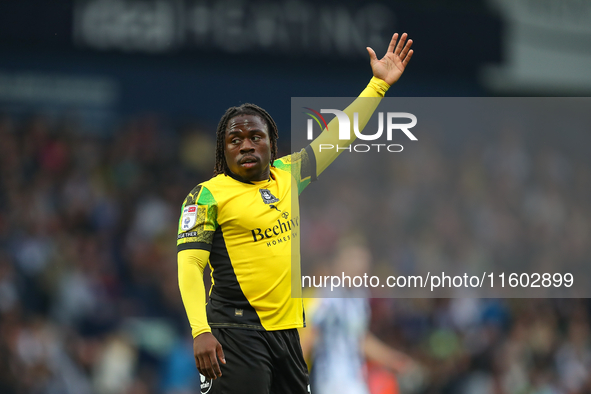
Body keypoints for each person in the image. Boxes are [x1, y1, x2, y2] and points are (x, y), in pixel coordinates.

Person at [177, 33, 413, 394]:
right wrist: (200, 330)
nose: (246, 145)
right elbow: (190, 266)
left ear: (272, 143)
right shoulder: (207, 196)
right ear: (222, 151)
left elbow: (338, 135)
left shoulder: (288, 175)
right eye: (235, 140)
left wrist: (377, 85)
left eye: (256, 137)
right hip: (236, 332)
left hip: (287, 333)